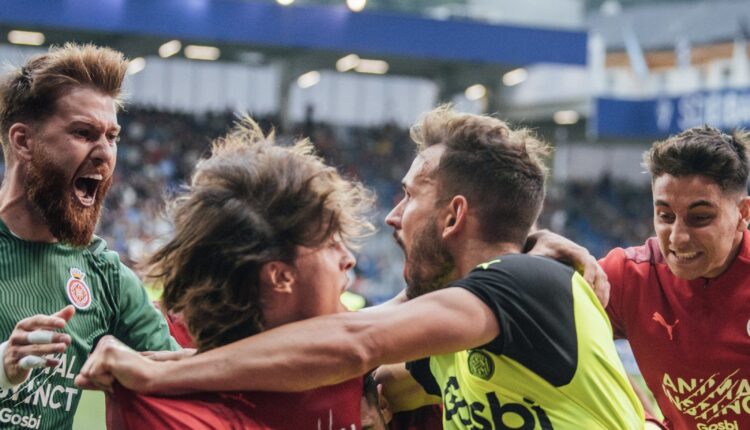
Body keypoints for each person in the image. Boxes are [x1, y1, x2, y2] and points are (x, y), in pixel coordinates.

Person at [78, 106, 646, 429]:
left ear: (454, 215)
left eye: (408, 196)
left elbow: (357, 343)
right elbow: (368, 377)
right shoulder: (456, 339)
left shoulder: (527, 281)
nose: (393, 216)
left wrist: (161, 372)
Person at [103, 118, 387, 429]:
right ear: (279, 276)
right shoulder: (153, 349)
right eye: (331, 244)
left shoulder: (357, 349)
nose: (349, 259)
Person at [0, 44, 178, 430]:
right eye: (83, 133)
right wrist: (3, 366)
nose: (105, 154)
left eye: (112, 137)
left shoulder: (104, 276)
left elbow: (189, 374)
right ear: (23, 141)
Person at [527, 126, 750, 429]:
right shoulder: (629, 276)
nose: (678, 237)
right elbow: (548, 329)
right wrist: (641, 418)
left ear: (743, 213)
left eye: (700, 218)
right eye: (665, 216)